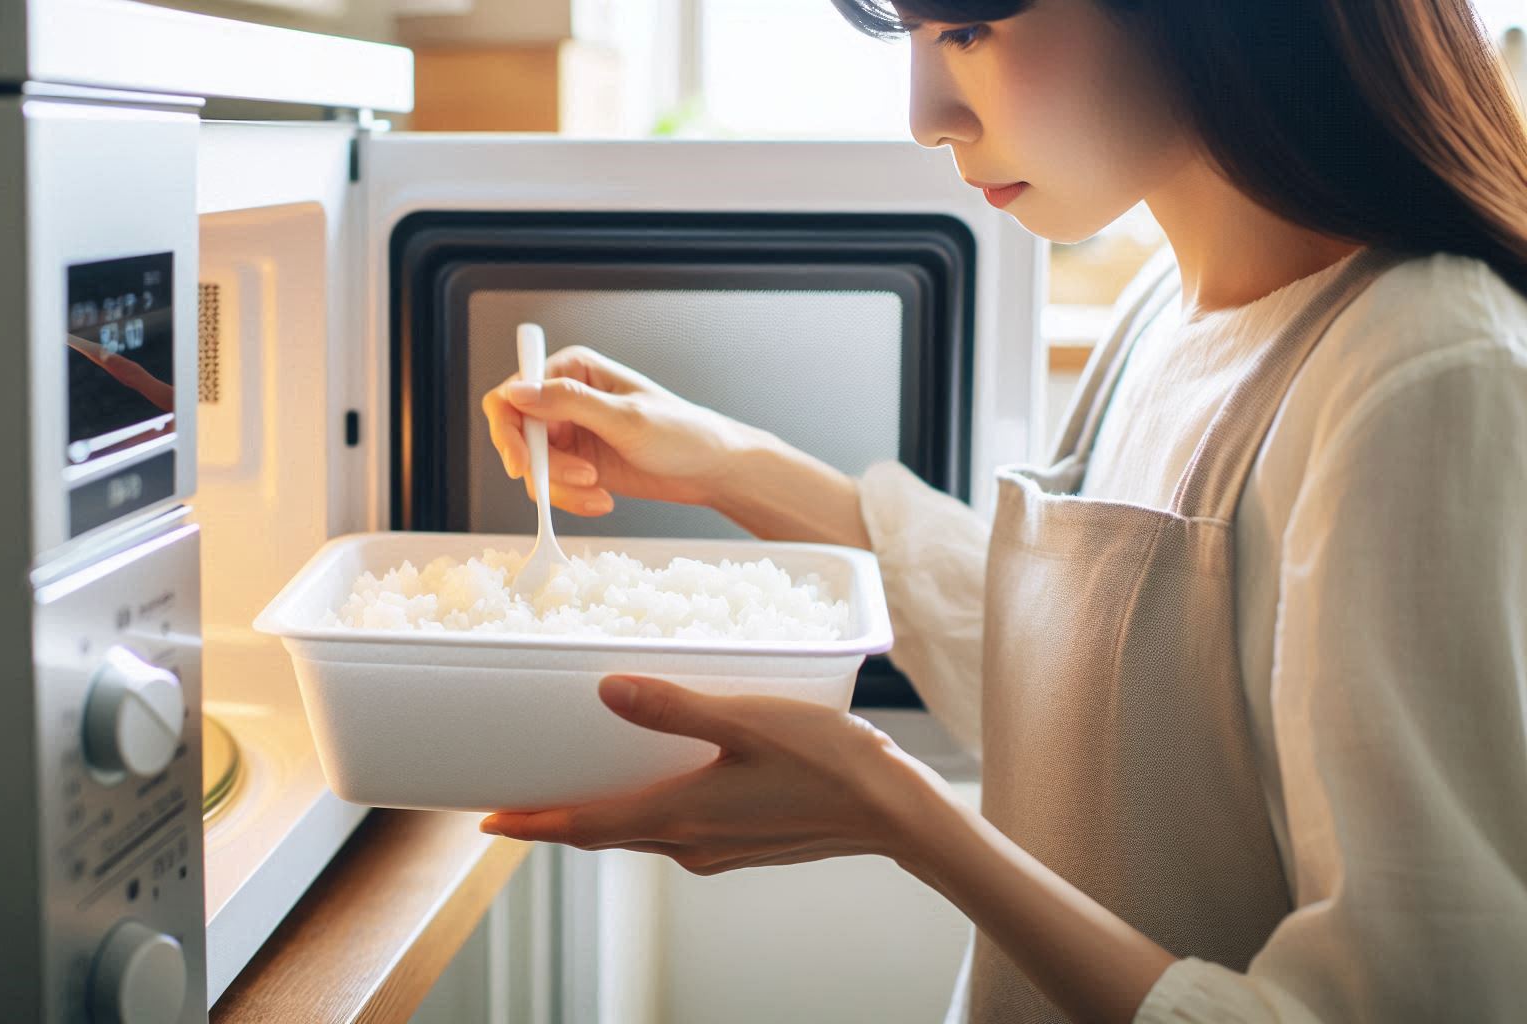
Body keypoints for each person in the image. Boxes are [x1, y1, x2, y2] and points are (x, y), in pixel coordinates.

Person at [475, 0, 1527, 1020]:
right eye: (915, 32)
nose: (926, 111)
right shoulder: (1166, 306)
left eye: (969, 27)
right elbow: (1099, 718)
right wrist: (728, 465)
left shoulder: (1426, 371)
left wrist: (905, 818)